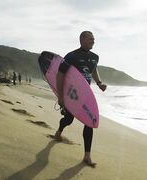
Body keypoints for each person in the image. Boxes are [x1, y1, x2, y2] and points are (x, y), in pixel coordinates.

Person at [55, 31, 107, 167]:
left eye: (94, 39)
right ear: (82, 39)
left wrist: (99, 83)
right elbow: (60, 75)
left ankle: (87, 155)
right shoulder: (71, 56)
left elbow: (93, 70)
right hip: (72, 94)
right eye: (91, 39)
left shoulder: (95, 57)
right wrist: (61, 96)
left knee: (89, 122)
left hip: (85, 95)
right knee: (68, 119)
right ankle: (59, 131)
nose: (93, 41)